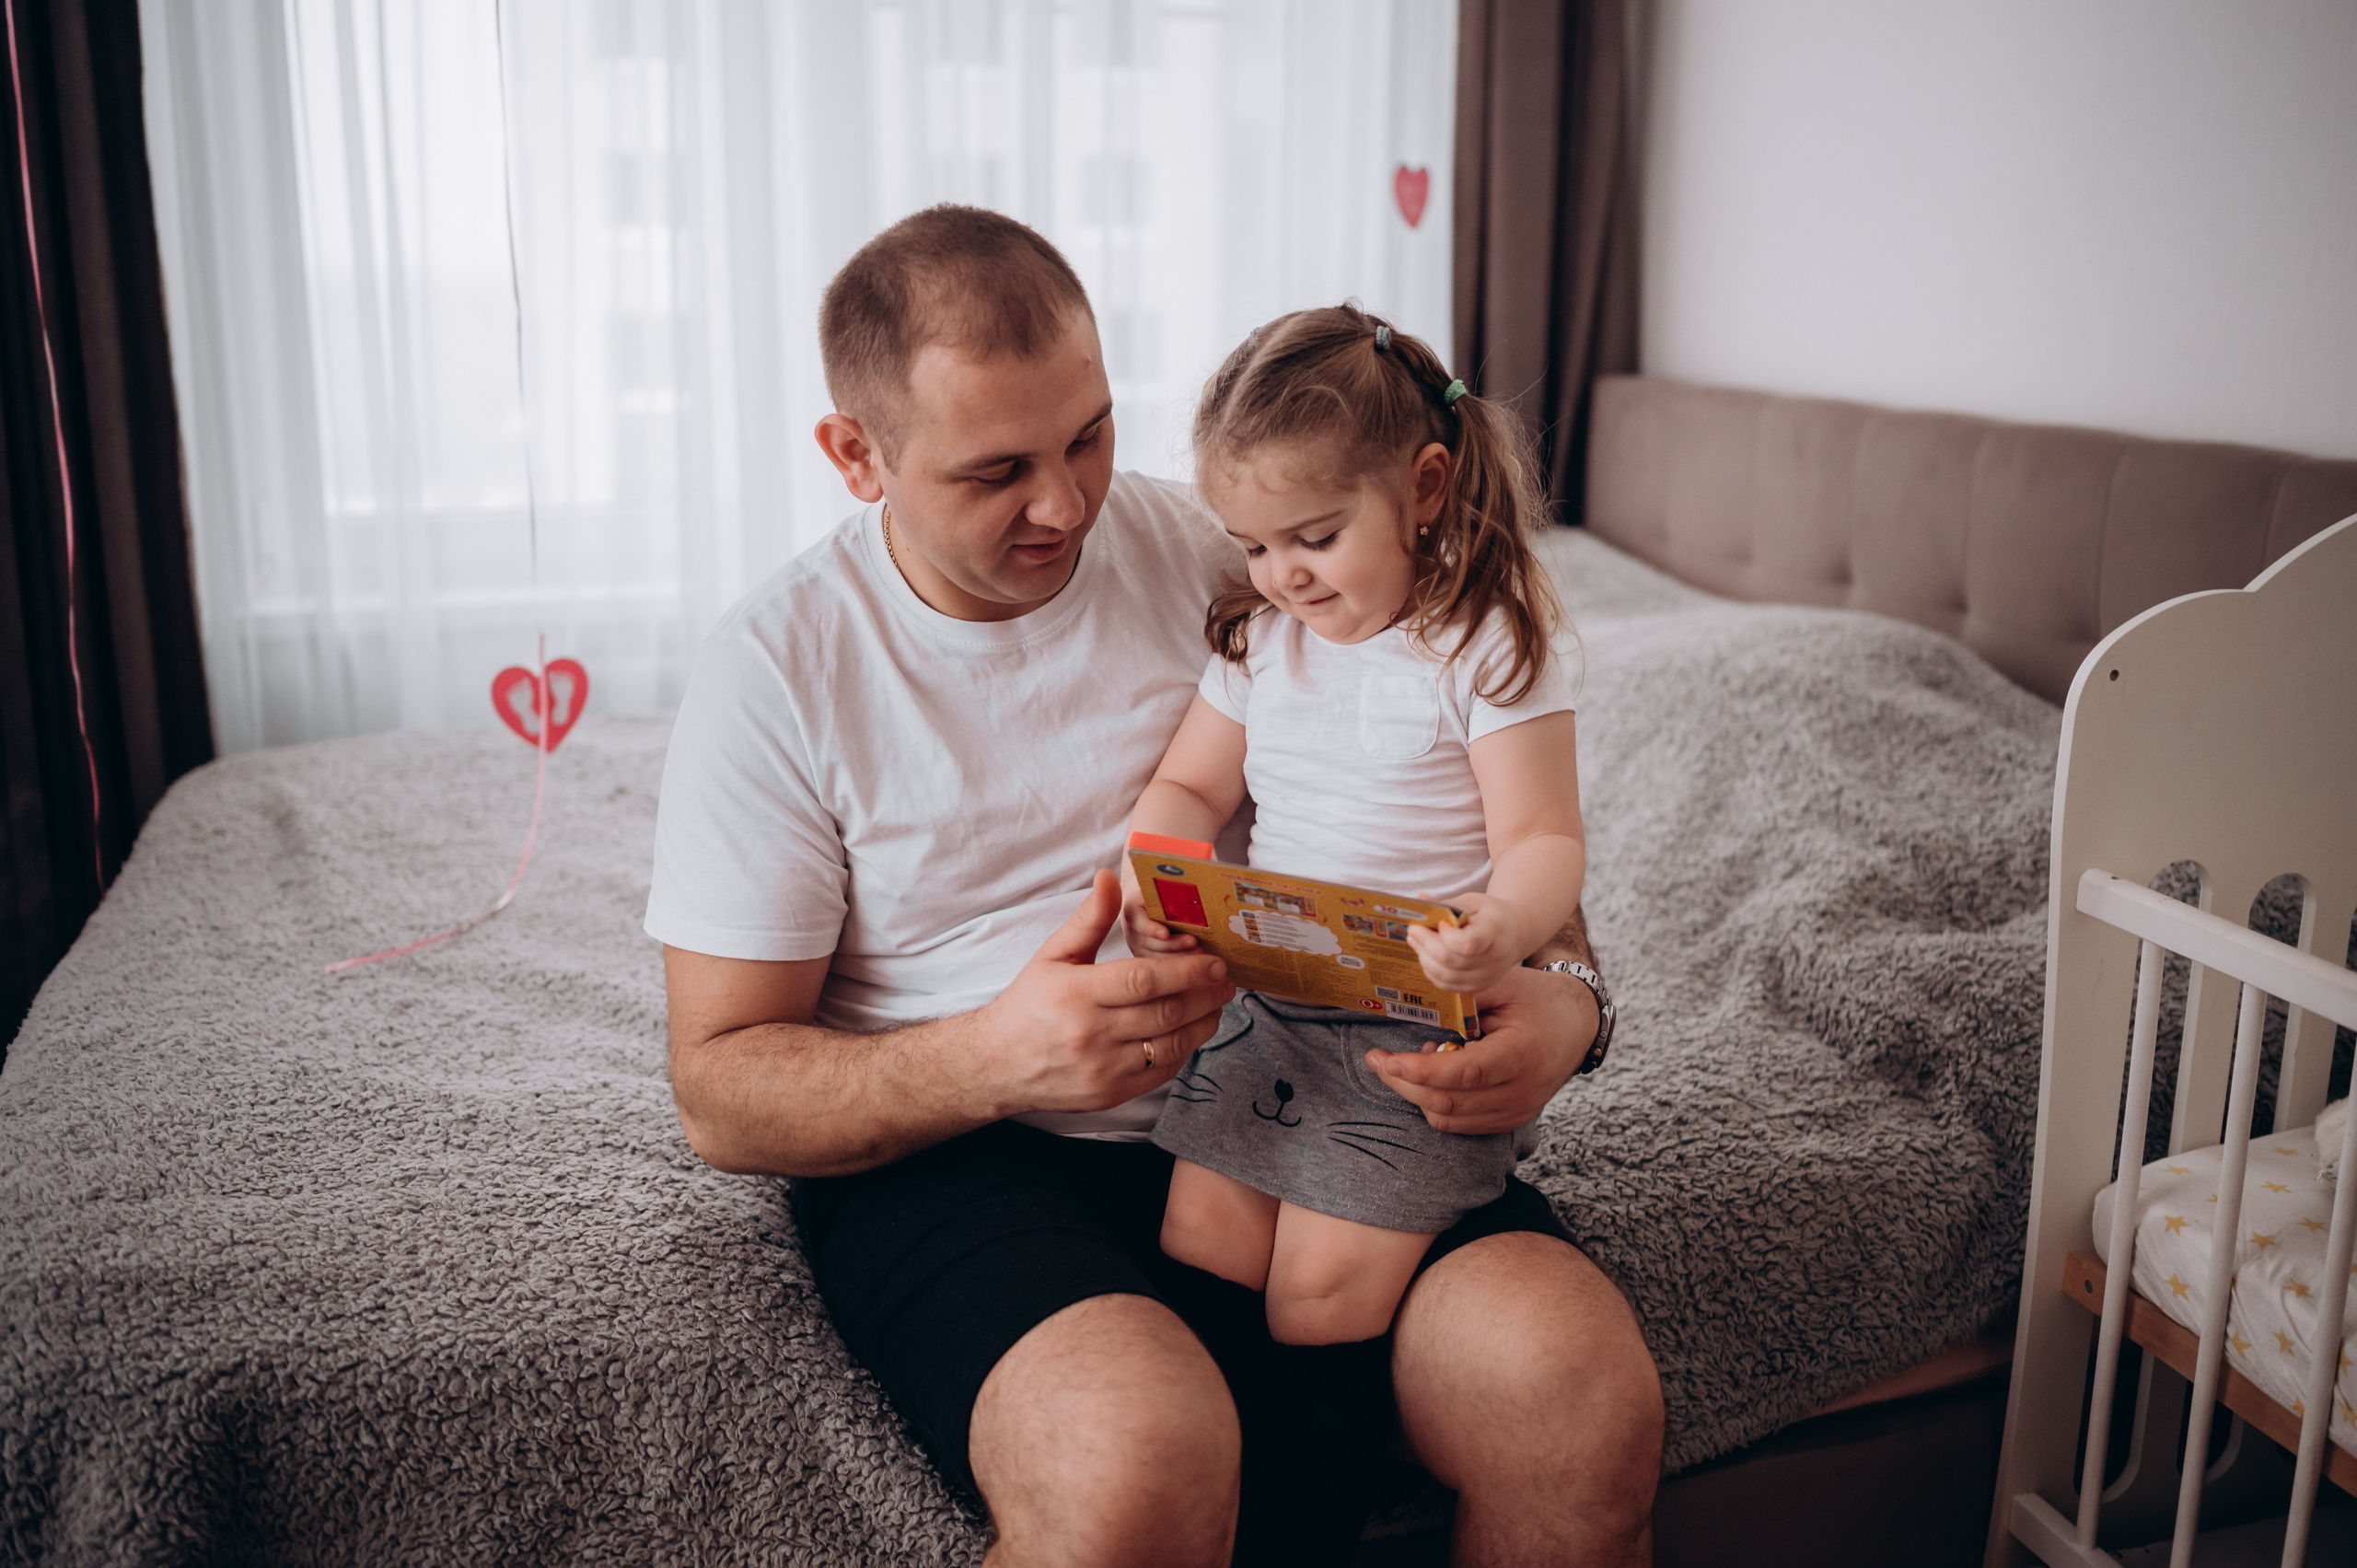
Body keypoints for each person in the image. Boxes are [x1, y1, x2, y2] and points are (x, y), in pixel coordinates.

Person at [649, 204, 1663, 1568]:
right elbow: (720, 1087)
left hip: (1326, 1064)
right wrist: (993, 1058)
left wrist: (1570, 1010)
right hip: (974, 1152)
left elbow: (1486, 822)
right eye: (998, 468)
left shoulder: (1232, 551)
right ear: (856, 455)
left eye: (1090, 433)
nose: (1067, 502)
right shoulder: (774, 672)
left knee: (1579, 1400)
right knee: (1141, 1463)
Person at [1122, 307, 1584, 1350]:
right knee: (1201, 1242)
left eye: (1316, 537)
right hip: (1271, 998)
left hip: (1414, 1024)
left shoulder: (1487, 650)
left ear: (1422, 487)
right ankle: (1227, 1481)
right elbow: (1189, 791)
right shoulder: (1259, 646)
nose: (1282, 572)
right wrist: (1160, 880)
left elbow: (1545, 838)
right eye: (1253, 544)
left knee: (1317, 1295)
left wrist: (1502, 923)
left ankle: (1310, 1493)